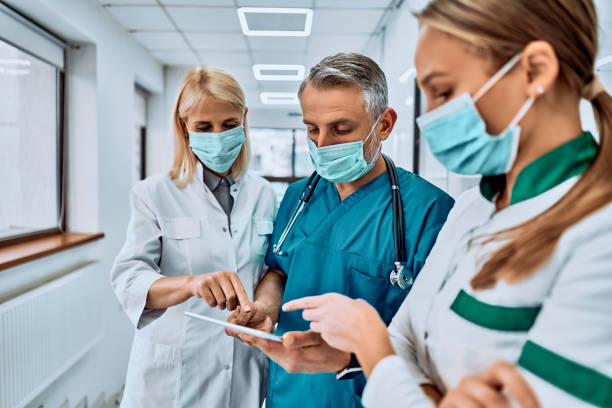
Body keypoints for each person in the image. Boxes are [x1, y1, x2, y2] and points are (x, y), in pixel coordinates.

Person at [283, 1, 612, 407]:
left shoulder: (599, 232)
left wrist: (372, 344)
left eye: (443, 92)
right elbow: (404, 340)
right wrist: (397, 370)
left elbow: (394, 353)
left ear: (536, 71)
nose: (431, 119)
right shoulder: (474, 208)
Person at [226, 53, 455, 407]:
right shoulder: (297, 196)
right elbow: (279, 269)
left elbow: (436, 342)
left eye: (341, 129)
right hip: (289, 392)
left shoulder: (429, 212)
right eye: (312, 128)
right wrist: (265, 308)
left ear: (384, 124)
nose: (322, 144)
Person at [110, 67, 276, 407]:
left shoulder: (265, 194)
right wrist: (190, 284)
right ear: (184, 126)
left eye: (229, 125)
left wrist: (261, 308)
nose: (218, 136)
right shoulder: (153, 193)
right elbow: (129, 278)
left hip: (242, 365)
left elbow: (272, 270)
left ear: (244, 119)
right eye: (204, 127)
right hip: (172, 375)